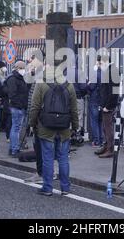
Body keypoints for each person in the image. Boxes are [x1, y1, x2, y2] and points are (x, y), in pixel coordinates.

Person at [28, 61, 79, 196]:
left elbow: (35, 106)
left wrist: (32, 123)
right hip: (64, 127)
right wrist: (75, 127)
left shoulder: (41, 83)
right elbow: (74, 109)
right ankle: (65, 188)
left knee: (47, 158)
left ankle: (48, 188)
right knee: (63, 158)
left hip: (46, 127)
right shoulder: (69, 86)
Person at [96, 55, 120, 158]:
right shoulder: (110, 71)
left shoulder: (113, 71)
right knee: (105, 128)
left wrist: (108, 106)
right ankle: (107, 146)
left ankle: (110, 149)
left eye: (100, 63)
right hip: (106, 104)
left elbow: (114, 91)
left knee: (108, 127)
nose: (99, 65)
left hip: (108, 105)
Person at [5, 60, 29, 157]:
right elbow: (13, 94)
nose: (23, 70)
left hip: (19, 106)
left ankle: (13, 148)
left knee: (15, 128)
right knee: (16, 128)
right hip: (17, 107)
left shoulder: (19, 78)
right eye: (22, 68)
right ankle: (14, 149)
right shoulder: (13, 79)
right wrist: (20, 105)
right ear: (18, 68)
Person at [87, 56, 103, 148]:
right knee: (100, 121)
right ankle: (101, 139)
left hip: (95, 99)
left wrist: (88, 85)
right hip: (102, 100)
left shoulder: (95, 74)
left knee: (94, 121)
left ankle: (96, 140)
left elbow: (92, 87)